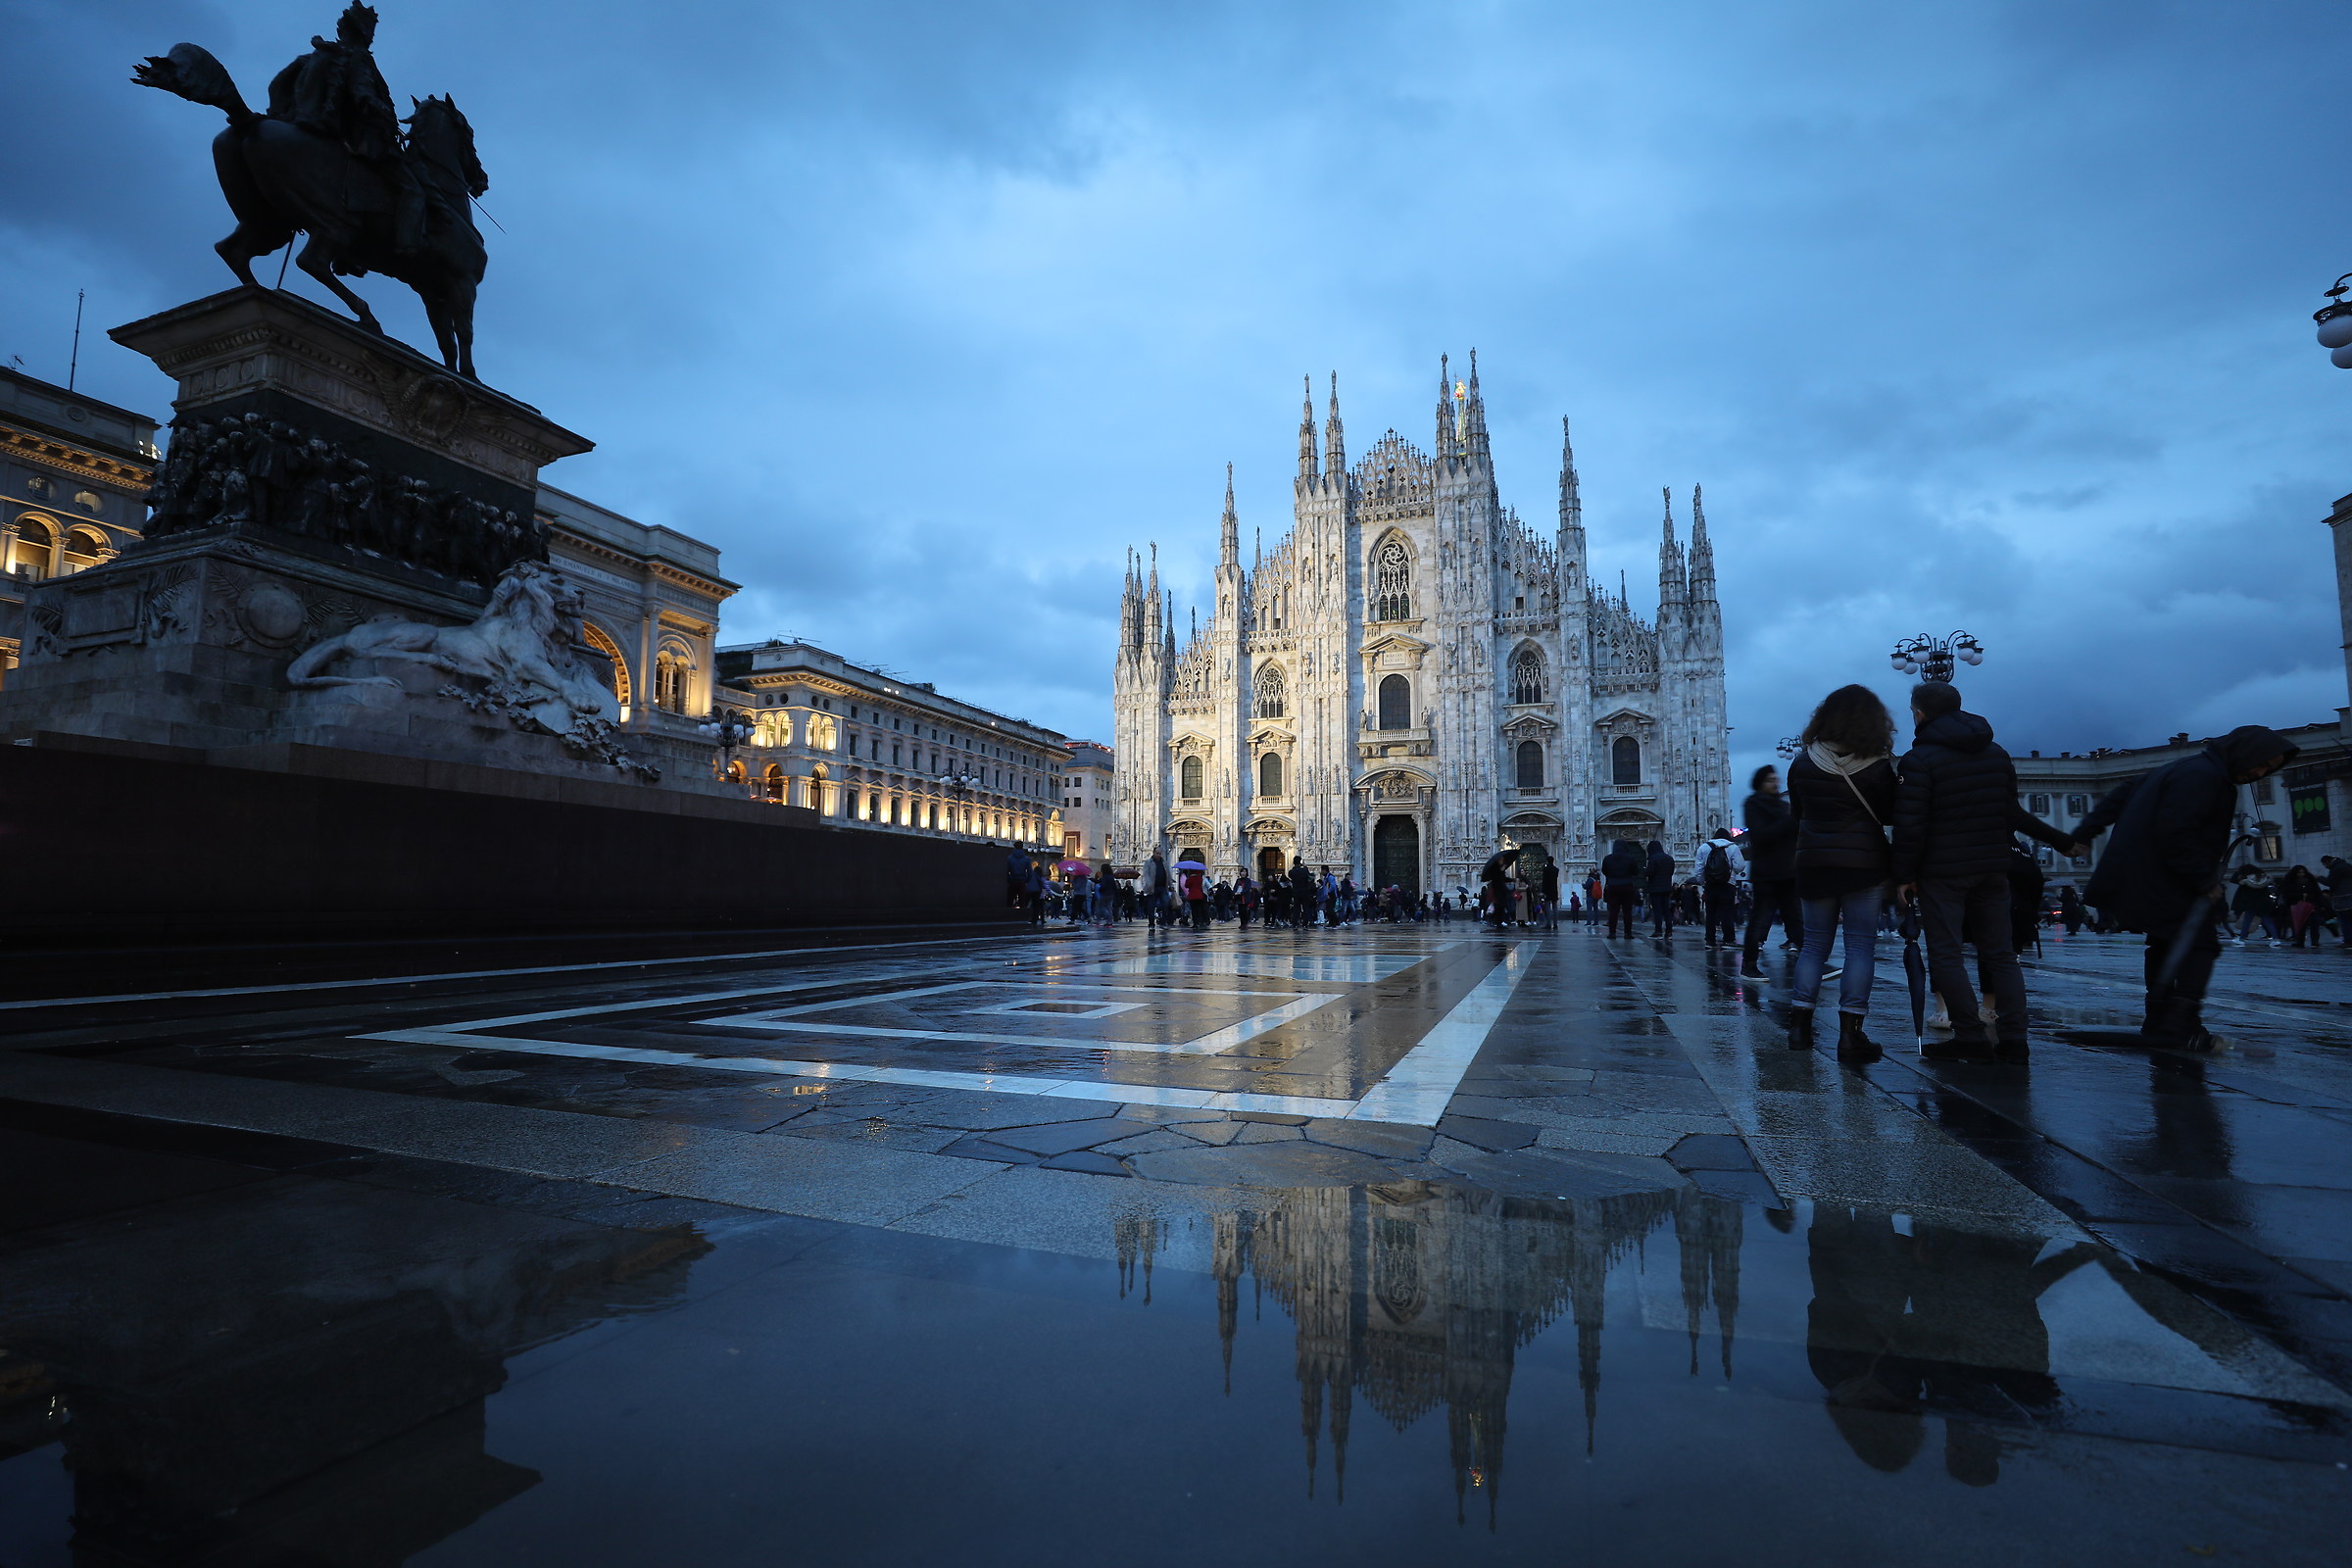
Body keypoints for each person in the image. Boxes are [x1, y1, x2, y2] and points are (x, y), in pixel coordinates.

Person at [1891, 682, 2084, 1063]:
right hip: (1994, 868)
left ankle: (1971, 1037)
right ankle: (2015, 1038)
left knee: (1947, 955)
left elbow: (1911, 825)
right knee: (2001, 954)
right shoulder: (1995, 753)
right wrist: (2061, 840)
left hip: (1943, 871)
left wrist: (1903, 874)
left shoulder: (1920, 760)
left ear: (1919, 713)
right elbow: (2012, 813)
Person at [2071, 725, 2297, 1048]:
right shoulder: (2206, 778)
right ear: (2244, 753)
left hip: (2144, 873)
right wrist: (2203, 881)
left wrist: (2086, 831)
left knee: (2164, 944)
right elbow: (2175, 832)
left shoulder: (2181, 768)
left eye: (2269, 770)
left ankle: (2159, 1019)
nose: (2260, 773)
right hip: (2167, 875)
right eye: (2261, 764)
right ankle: (2181, 1025)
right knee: (2201, 946)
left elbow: (2122, 793)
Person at [1784, 685, 1899, 1061]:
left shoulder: (1802, 763)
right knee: (1860, 947)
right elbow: (1888, 815)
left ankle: (1799, 1028)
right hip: (1863, 866)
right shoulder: (1878, 765)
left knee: (1814, 946)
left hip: (1814, 863)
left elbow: (1797, 814)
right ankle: (1851, 1035)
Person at [1740, 765, 1800, 977]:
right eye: (1770, 780)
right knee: (1760, 919)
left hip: (1787, 871)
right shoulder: (1753, 804)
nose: (1775, 783)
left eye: (1776, 779)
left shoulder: (1783, 806)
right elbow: (1760, 835)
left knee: (1795, 918)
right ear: (1760, 783)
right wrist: (1788, 821)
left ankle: (1813, 963)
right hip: (1767, 872)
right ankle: (1748, 964)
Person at [1697, 830, 1742, 949]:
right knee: (1727, 912)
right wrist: (1732, 872)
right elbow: (1740, 866)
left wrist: (1703, 883)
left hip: (1710, 884)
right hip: (1727, 884)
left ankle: (1709, 941)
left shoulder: (1703, 847)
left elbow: (1699, 869)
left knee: (1711, 913)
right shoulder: (1733, 847)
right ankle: (1728, 939)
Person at [1599, 840, 1642, 937]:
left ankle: (1612, 932)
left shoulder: (1608, 858)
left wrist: (1613, 877)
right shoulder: (1630, 858)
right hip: (1627, 886)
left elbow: (1604, 871)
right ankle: (1628, 933)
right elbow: (1635, 871)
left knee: (1613, 911)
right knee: (1627, 911)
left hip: (1613, 886)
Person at [2280, 864, 2325, 948]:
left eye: (2303, 872)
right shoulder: (2290, 882)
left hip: (2311, 904)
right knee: (2300, 924)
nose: (2301, 874)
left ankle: (2314, 941)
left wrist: (2320, 904)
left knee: (2314, 923)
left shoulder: (2310, 881)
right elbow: (2287, 894)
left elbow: (2317, 893)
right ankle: (2300, 941)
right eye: (2299, 873)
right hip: (2298, 905)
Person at [1479, 848, 1520, 928]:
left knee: (1501, 906)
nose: (1503, 860)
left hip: (1501, 890)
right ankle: (1496, 922)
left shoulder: (1500, 869)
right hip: (1497, 890)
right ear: (1498, 860)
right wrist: (1501, 871)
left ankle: (1498, 922)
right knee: (1499, 906)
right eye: (1502, 859)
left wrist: (1513, 879)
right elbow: (1498, 879)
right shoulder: (1495, 869)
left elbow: (1503, 879)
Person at [1643, 840, 1677, 936]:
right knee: (1666, 910)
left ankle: (1658, 931)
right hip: (1666, 888)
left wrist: (1645, 871)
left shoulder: (1653, 858)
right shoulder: (1669, 858)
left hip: (1655, 888)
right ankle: (1669, 932)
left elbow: (1650, 872)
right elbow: (1671, 872)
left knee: (1657, 910)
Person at [2326, 857, 2352, 948]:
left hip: (2342, 898)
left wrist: (2319, 877)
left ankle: (2348, 940)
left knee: (2344, 920)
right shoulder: (2347, 866)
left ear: (2327, 862)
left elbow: (2329, 882)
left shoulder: (2336, 868)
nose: (2325, 867)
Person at [1179, 858, 1211, 930]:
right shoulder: (1200, 878)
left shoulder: (1190, 878)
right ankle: (1200, 921)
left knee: (1194, 910)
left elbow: (1186, 885)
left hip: (1192, 896)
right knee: (1199, 909)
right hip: (1199, 895)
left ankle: (1195, 923)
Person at [1144, 850, 1170, 929]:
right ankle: (1151, 924)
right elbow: (1146, 874)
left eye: (1160, 853)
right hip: (1152, 888)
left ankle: (1163, 922)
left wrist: (1170, 884)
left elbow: (1168, 873)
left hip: (1163, 887)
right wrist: (1149, 884)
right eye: (1157, 853)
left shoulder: (1164, 862)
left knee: (1165, 904)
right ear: (1154, 853)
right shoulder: (1148, 862)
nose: (1159, 855)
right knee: (1151, 907)